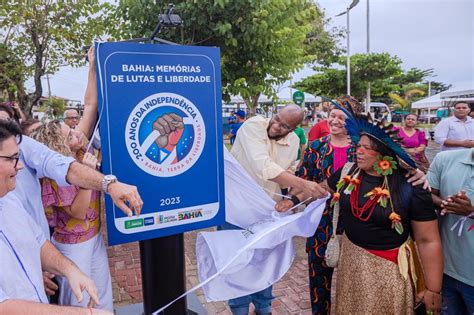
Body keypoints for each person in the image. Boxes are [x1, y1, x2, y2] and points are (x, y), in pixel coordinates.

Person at [278, 103, 442, 314]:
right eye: (358, 146)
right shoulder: (349, 172)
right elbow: (318, 189)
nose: (359, 152)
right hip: (351, 262)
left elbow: (428, 240)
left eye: (367, 148)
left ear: (385, 155)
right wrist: (291, 201)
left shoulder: (410, 185)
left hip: (389, 269)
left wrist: (433, 289)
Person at [0, 119, 111, 315]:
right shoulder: (56, 180)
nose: (20, 167)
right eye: (12, 158)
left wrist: (70, 270)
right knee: (79, 302)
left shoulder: (10, 201)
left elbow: (39, 242)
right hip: (74, 242)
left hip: (90, 239)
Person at [227, 104, 327, 315]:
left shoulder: (293, 142)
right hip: (236, 207)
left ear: (294, 129)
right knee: (238, 262)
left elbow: (288, 171)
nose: (276, 127)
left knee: (266, 260)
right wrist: (304, 184)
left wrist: (290, 200)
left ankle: (264, 307)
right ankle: (239, 309)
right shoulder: (253, 126)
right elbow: (263, 166)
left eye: (284, 126)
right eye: (277, 119)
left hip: (268, 209)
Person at [32, 120, 113, 311]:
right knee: (79, 299)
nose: (76, 135)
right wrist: (88, 175)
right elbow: (78, 212)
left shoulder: (80, 153)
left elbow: (90, 109)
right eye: (69, 136)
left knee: (102, 291)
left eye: (73, 131)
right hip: (73, 246)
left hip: (94, 236)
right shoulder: (57, 174)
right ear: (58, 146)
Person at [297, 98, 357, 314]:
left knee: (353, 278)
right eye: (333, 115)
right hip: (320, 221)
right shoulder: (316, 147)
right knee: (319, 277)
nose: (336, 120)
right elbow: (302, 181)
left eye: (342, 117)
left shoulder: (362, 149)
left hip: (354, 222)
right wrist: (297, 198)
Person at [427, 148, 474, 314]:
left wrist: (471, 212)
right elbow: (428, 194)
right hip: (446, 271)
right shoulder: (445, 159)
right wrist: (445, 204)